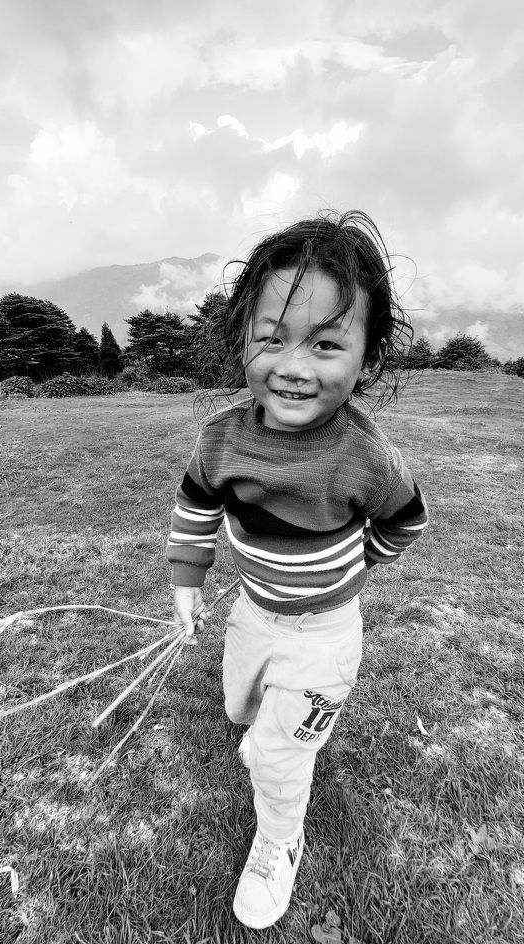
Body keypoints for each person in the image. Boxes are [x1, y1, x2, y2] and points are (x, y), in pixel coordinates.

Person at [165, 210, 428, 930]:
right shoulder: (219, 442)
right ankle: (271, 728)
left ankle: (279, 840)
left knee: (280, 755)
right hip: (252, 613)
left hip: (325, 634)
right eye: (272, 338)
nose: (293, 366)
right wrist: (187, 583)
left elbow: (406, 520)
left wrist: (361, 562)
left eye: (326, 344)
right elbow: (195, 510)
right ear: (242, 340)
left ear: (368, 356)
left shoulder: (366, 458)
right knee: (240, 709)